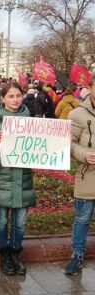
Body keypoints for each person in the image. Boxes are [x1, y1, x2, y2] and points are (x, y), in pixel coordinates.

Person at [0, 82, 35, 276]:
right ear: (2, 98)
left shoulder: (32, 120)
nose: (15, 100)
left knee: (20, 222)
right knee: (1, 220)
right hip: (1, 176)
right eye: (11, 96)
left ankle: (15, 253)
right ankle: (3, 253)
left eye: (18, 95)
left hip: (23, 176)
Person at [63, 75, 95, 276]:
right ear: (90, 88)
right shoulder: (77, 114)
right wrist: (83, 154)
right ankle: (76, 255)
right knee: (82, 219)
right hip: (87, 175)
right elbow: (68, 142)